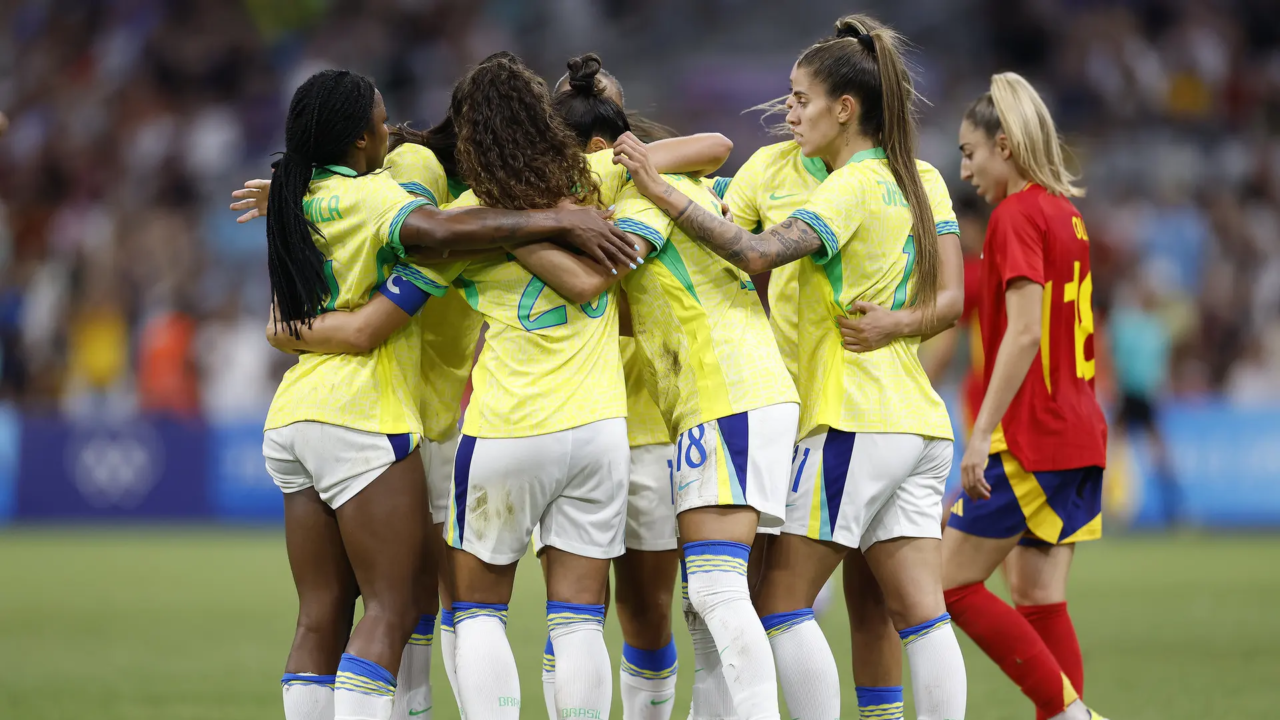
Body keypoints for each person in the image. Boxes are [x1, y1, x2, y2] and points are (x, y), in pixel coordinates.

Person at [254, 53, 733, 720]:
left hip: (500, 431)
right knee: (577, 621)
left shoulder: (464, 220)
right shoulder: (601, 181)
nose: (393, 136)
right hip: (599, 432)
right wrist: (615, 172)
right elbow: (713, 147)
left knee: (471, 611)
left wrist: (289, 319)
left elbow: (373, 317)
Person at [614, 14, 968, 720]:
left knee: (776, 601)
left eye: (802, 98)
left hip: (843, 414)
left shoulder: (853, 183)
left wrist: (658, 191)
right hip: (916, 419)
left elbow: (752, 254)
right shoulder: (897, 176)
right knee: (920, 612)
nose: (788, 111)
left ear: (846, 108)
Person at [531, 52, 801, 720]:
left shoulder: (638, 194)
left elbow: (598, 290)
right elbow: (715, 145)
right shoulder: (663, 182)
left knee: (709, 597)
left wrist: (514, 231)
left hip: (723, 392)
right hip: (718, 398)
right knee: (702, 603)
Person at [944, 72, 1110, 720]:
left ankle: (1068, 715)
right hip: (1079, 432)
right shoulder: (1067, 214)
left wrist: (981, 434)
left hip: (1035, 436)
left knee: (948, 584)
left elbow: (1023, 335)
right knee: (1036, 590)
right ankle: (1065, 712)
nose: (965, 169)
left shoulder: (1013, 216)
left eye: (970, 152)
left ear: (1004, 146)